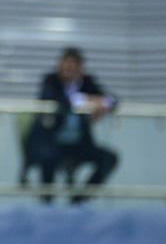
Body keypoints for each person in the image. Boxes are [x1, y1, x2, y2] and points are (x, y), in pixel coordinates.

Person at [28, 47, 119, 203]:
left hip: (79, 145)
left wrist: (103, 103)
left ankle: (79, 199)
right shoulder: (51, 81)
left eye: (72, 65)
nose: (68, 69)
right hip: (53, 143)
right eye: (65, 65)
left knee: (109, 158)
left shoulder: (87, 82)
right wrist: (86, 100)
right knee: (47, 157)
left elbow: (112, 100)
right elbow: (55, 100)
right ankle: (47, 203)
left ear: (80, 68)